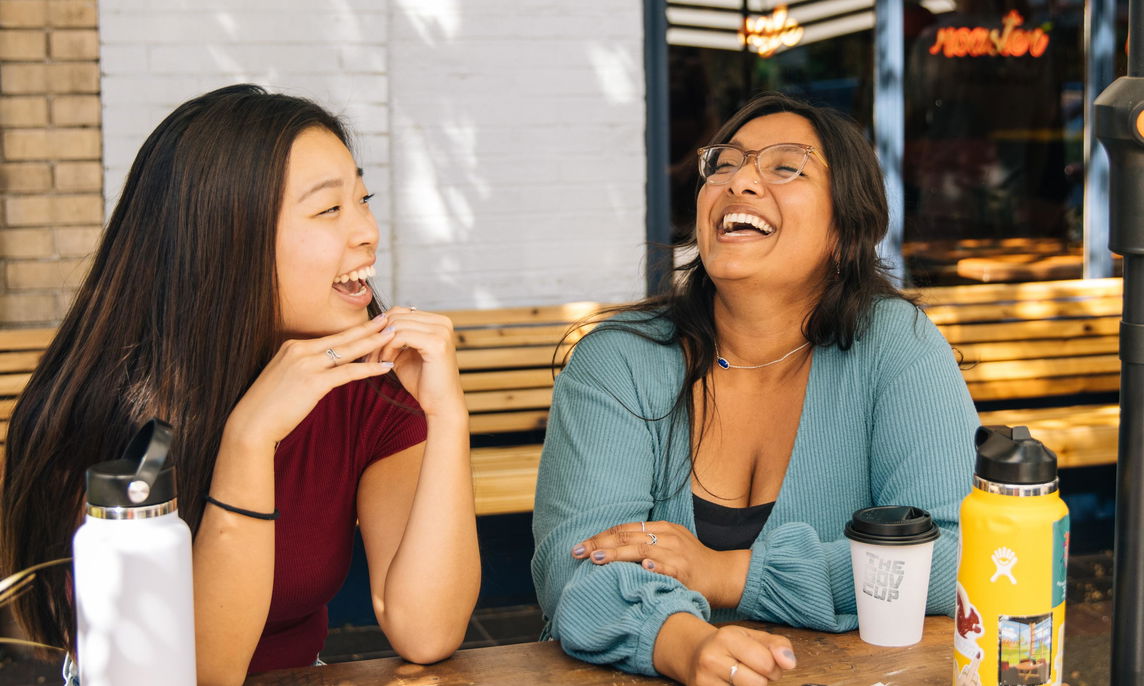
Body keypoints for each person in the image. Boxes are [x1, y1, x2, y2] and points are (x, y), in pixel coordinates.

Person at [0, 85, 480, 684]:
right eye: (329, 210)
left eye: (364, 199)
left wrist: (447, 416)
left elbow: (427, 629)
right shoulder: (108, 412)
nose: (366, 232)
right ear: (228, 238)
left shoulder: (370, 389)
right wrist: (250, 439)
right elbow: (204, 674)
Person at [531, 92, 978, 685]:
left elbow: (954, 555)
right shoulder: (620, 359)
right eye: (724, 164)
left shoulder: (894, 345)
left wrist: (728, 575)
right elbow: (578, 564)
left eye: (785, 166)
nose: (740, 181)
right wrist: (686, 645)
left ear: (845, 230)